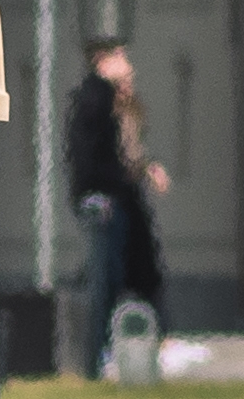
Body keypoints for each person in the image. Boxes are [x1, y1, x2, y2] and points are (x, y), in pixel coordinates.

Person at [61, 36, 169, 376]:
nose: (128, 65)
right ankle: (103, 354)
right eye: (120, 57)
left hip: (119, 195)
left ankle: (135, 346)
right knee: (108, 275)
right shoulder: (97, 99)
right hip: (107, 198)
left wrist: (145, 170)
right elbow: (95, 157)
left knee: (128, 270)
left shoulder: (118, 101)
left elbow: (128, 152)